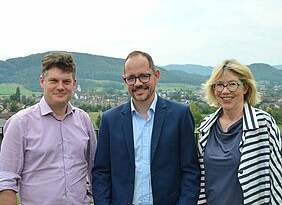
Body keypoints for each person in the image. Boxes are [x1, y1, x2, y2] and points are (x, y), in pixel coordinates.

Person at [92, 50, 200, 205]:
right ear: (124, 80)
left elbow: (191, 171)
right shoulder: (110, 120)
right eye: (131, 78)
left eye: (144, 76)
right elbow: (101, 172)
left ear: (156, 75)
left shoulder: (179, 115)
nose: (138, 83)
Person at [0, 52, 97, 205]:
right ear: (42, 81)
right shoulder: (20, 123)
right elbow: (6, 181)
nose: (60, 87)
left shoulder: (84, 120)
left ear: (73, 83)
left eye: (66, 81)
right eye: (53, 81)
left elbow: (94, 170)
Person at [197, 59, 282, 205]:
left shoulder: (263, 124)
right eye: (219, 85)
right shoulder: (206, 127)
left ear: (245, 88)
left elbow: (278, 176)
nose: (225, 91)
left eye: (232, 84)